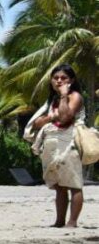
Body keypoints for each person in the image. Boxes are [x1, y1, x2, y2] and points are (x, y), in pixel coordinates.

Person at [28, 64, 85, 227]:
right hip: (52, 143)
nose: (59, 81)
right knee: (59, 186)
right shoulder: (50, 101)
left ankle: (72, 222)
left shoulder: (74, 96)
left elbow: (66, 116)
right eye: (56, 78)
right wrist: (51, 117)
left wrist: (64, 96)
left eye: (64, 78)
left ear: (71, 80)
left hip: (69, 141)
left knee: (73, 184)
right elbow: (37, 123)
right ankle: (59, 221)